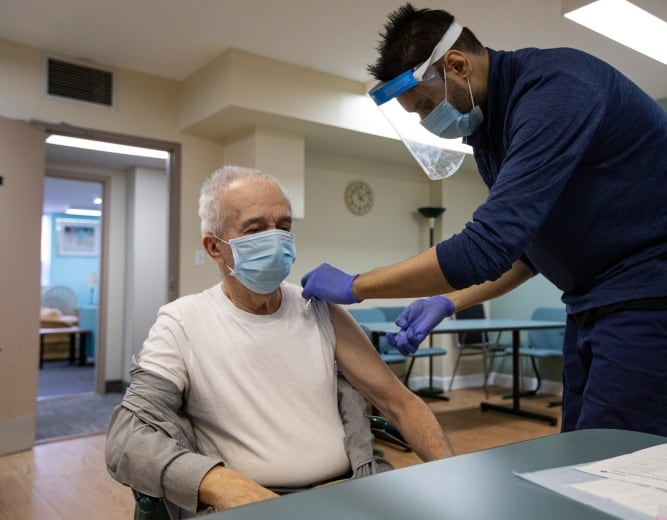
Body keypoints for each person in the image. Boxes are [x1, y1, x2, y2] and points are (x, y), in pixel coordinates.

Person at [301, 4, 667, 439]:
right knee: (582, 445)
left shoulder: (557, 89)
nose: (426, 121)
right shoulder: (490, 132)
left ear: (457, 65)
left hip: (659, 283)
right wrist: (449, 302)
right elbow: (525, 252)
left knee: (616, 460)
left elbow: (484, 246)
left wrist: (358, 285)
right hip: (592, 296)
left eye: (426, 105)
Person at [105, 165, 452, 516]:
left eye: (283, 226)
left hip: (347, 489)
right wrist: (224, 485)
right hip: (250, 504)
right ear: (214, 247)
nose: (275, 238)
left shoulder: (317, 308)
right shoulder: (182, 322)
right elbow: (129, 437)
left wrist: (455, 477)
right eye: (255, 229)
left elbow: (398, 402)